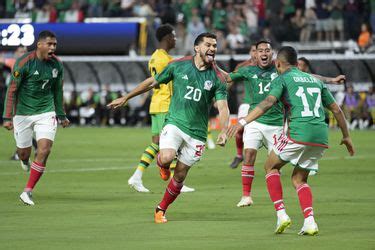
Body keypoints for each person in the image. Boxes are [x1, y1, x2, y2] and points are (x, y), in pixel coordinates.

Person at [227, 46, 354, 236]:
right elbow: (336, 110)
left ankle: (281, 215)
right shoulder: (312, 79)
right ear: (297, 63)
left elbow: (268, 102)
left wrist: (243, 121)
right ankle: (310, 222)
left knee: (270, 166)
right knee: (298, 179)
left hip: (298, 133)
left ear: (278, 63)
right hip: (320, 137)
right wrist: (346, 136)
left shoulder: (282, 78)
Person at [108, 32, 230, 224]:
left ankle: (161, 209)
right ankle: (162, 164)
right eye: (208, 45)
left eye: (215, 46)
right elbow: (152, 81)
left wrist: (223, 130)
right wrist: (126, 97)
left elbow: (222, 106)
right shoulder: (178, 65)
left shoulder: (217, 78)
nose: (213, 49)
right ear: (197, 48)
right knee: (166, 157)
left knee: (180, 175)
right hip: (174, 122)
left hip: (197, 134)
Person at [2, 30, 70, 206]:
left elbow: (57, 91)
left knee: (45, 149)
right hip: (23, 114)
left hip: (46, 112)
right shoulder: (24, 62)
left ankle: (27, 191)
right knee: (23, 152)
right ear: (39, 45)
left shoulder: (57, 64)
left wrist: (61, 114)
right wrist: (7, 117)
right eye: (49, 44)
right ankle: (24, 160)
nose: (53, 48)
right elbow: (12, 90)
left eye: (55, 44)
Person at [127, 24, 194, 193]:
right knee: (171, 143)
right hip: (165, 104)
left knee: (157, 144)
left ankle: (137, 176)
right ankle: (173, 180)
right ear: (167, 38)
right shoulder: (165, 59)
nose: (175, 39)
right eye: (173, 36)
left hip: (156, 104)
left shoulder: (155, 57)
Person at [225, 40, 284, 208]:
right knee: (249, 154)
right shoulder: (247, 70)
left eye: (267, 50)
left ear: (272, 53)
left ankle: (278, 202)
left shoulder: (280, 69)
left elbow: (302, 76)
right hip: (254, 121)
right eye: (260, 51)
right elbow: (227, 77)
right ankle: (246, 196)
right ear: (255, 54)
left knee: (274, 166)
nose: (264, 53)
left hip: (276, 123)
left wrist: (329, 80)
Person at [0, 46, 38, 163]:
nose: (23, 53)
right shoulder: (19, 63)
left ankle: (21, 152)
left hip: (22, 101)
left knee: (19, 127)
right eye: (21, 51)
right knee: (19, 127)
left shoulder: (21, 63)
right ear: (15, 53)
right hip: (17, 100)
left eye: (24, 51)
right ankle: (34, 147)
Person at [229, 43, 257, 169]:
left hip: (264, 105)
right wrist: (221, 95)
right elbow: (230, 80)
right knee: (239, 128)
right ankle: (239, 155)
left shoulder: (270, 66)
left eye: (258, 50)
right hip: (247, 103)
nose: (255, 53)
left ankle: (275, 163)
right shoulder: (242, 66)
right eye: (253, 50)